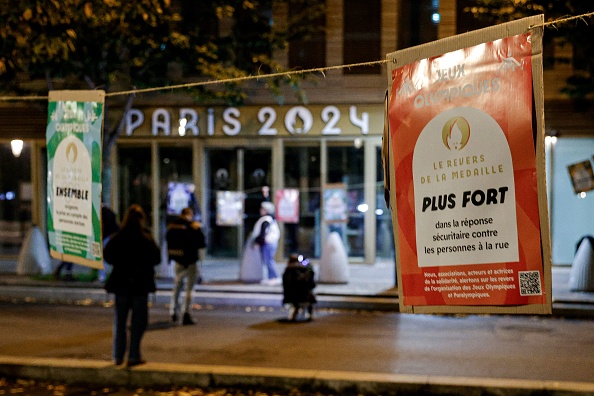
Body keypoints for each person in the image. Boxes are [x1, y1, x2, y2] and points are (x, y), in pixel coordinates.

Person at [103, 204, 161, 368]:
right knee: (139, 322)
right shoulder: (146, 237)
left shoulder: (118, 237)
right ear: (142, 220)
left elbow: (108, 256)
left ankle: (118, 355)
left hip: (121, 285)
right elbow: (156, 259)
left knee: (120, 322)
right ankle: (134, 355)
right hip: (139, 285)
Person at [166, 207, 206, 325]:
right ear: (189, 214)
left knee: (177, 286)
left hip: (178, 260)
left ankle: (173, 311)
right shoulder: (193, 226)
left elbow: (168, 241)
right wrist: (197, 229)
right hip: (191, 260)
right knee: (189, 288)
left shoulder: (173, 226)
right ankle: (186, 313)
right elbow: (202, 243)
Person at [252, 201, 281, 285]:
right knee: (268, 260)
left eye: (262, 209)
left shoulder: (266, 220)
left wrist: (258, 242)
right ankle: (271, 277)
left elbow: (262, 233)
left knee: (269, 260)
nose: (260, 210)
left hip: (268, 243)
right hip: (270, 242)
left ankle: (274, 277)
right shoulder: (270, 219)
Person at [282, 254, 317, 321]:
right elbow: (312, 283)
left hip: (292, 296)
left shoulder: (288, 270)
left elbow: (285, 285)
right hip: (306, 295)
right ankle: (309, 312)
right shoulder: (307, 268)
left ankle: (295, 312)